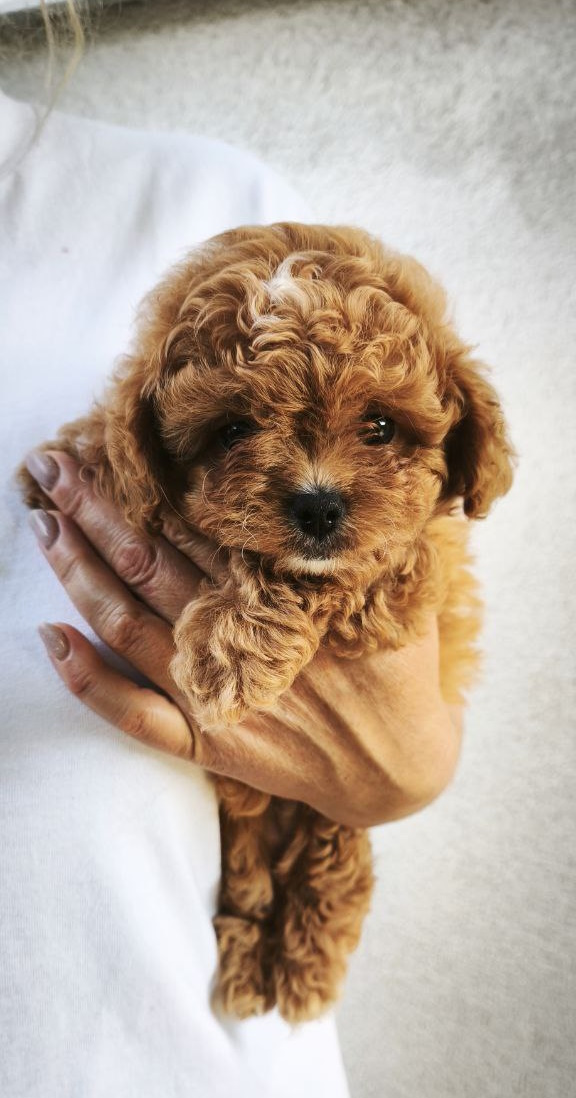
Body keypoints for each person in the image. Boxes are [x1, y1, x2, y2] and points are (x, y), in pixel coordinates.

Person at [0, 88, 461, 1098]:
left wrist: (279, 626)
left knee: (307, 871)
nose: (314, 482)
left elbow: (403, 721)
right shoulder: (126, 425)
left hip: (183, 1054)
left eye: (375, 431)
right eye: (236, 429)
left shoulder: (203, 203)